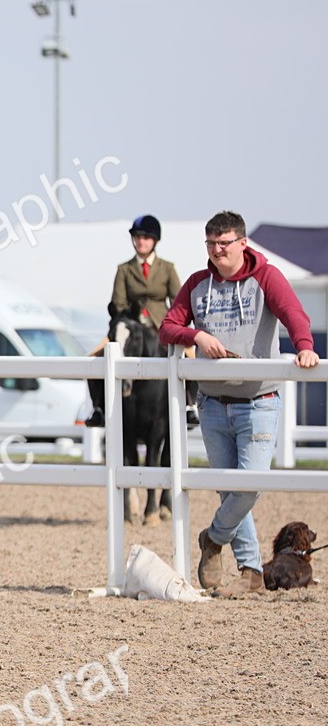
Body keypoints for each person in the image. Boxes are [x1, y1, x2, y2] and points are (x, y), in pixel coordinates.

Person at [158, 210, 319, 595]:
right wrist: (196, 336)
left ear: (242, 243)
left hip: (259, 400)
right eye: (210, 245)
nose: (216, 252)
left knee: (248, 487)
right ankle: (250, 570)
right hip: (212, 403)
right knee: (230, 492)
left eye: (223, 244)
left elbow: (294, 313)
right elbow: (167, 328)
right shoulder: (198, 284)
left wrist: (306, 348)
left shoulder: (267, 277)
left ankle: (212, 540)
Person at [87, 214, 190, 427]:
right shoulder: (124, 269)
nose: (141, 241)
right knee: (95, 357)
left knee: (191, 355)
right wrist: (133, 314)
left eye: (145, 237)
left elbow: (178, 300)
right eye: (137, 237)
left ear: (154, 241)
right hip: (129, 325)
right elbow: (118, 302)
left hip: (161, 324)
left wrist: (174, 324)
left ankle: (190, 406)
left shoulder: (167, 268)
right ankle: (98, 407)